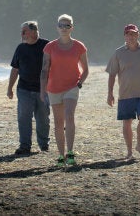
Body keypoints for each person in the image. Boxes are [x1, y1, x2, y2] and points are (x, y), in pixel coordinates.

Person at [40, 14, 89, 167]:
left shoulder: (79, 46)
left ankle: (71, 152)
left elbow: (86, 69)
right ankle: (61, 155)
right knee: (58, 122)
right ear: (57, 27)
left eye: (67, 25)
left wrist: (79, 84)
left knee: (69, 116)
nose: (64, 28)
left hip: (71, 87)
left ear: (71, 28)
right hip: (53, 88)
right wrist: (42, 90)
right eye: (61, 25)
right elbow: (44, 69)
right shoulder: (50, 47)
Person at [106, 24, 140, 160]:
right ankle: (129, 151)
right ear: (125, 36)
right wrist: (110, 93)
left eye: (134, 34)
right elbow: (112, 74)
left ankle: (139, 145)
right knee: (127, 122)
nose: (131, 37)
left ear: (138, 35)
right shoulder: (118, 53)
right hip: (125, 94)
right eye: (129, 34)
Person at [7, 21, 51, 155]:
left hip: (44, 90)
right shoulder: (20, 48)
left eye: (24, 31)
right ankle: (25, 146)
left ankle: (44, 145)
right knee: (24, 118)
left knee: (43, 118)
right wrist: (10, 88)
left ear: (33, 31)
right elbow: (15, 69)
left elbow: (54, 67)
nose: (22, 34)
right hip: (24, 89)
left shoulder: (47, 46)